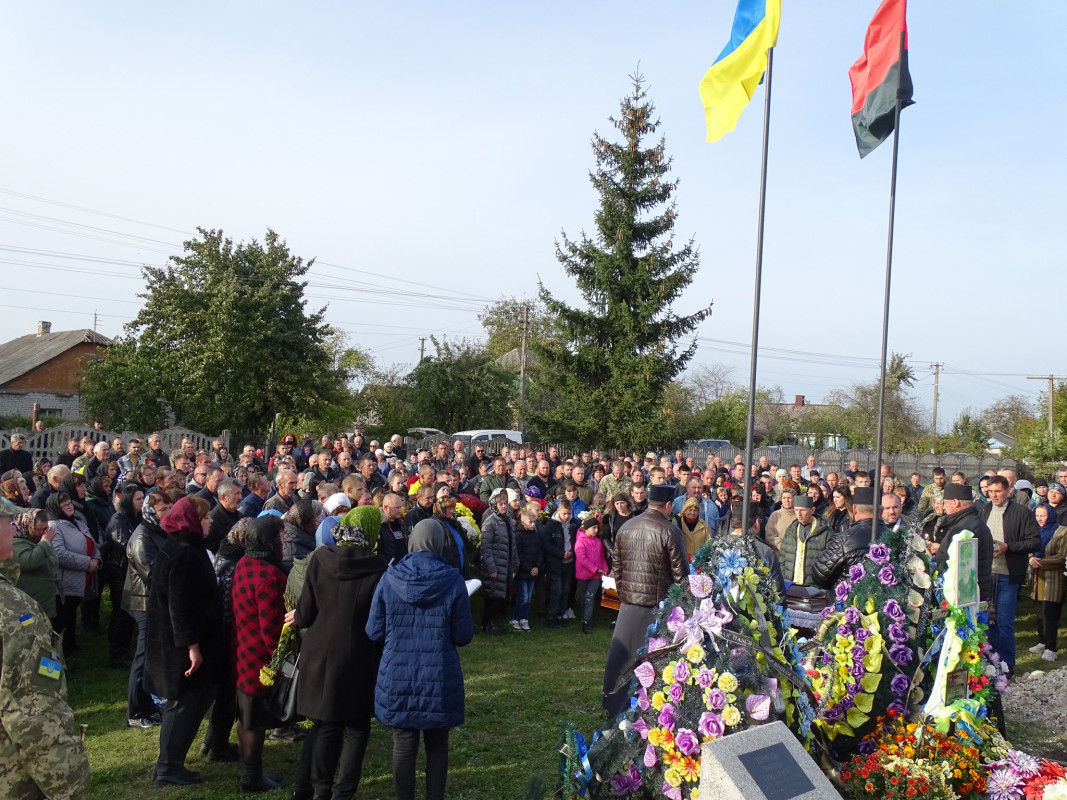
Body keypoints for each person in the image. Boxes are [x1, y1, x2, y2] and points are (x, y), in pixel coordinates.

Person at [366, 519, 475, 800]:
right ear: (439, 543)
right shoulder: (452, 580)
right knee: (437, 744)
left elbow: (373, 630)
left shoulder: (389, 577)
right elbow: (463, 635)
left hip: (398, 673)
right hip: (438, 674)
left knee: (403, 744)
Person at [0, 494, 92, 800]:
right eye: (5, 523)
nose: (12, 530)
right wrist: (70, 786)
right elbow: (33, 708)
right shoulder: (12, 610)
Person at [290, 515, 387, 800]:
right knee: (356, 726)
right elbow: (379, 618)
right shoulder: (378, 566)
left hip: (320, 649)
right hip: (358, 649)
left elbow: (305, 614)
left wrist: (295, 616)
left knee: (325, 722)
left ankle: (319, 789)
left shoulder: (320, 558)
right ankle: (343, 791)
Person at [144, 496, 226, 787]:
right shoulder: (184, 553)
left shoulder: (187, 547)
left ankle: (172, 763)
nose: (210, 520)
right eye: (204, 517)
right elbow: (179, 605)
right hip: (183, 646)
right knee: (184, 703)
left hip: (191, 640)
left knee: (194, 700)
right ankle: (168, 767)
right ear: (190, 521)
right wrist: (192, 647)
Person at [603, 483, 687, 718]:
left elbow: (617, 569)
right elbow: (682, 577)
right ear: (668, 505)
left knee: (621, 658)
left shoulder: (626, 526)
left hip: (628, 605)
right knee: (653, 662)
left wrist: (625, 594)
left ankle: (614, 703)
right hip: (656, 609)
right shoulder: (670, 530)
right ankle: (647, 708)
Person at [230, 515, 287, 792]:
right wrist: (282, 660)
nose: (284, 541)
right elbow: (272, 628)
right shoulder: (269, 576)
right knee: (253, 719)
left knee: (246, 714)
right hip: (259, 658)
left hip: (243, 649)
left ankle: (251, 770)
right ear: (268, 541)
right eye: (280, 537)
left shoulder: (244, 563)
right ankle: (251, 775)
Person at [978, 475, 1040, 676]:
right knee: (986, 621)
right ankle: (989, 662)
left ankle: (1006, 666)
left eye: (998, 491)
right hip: (986, 575)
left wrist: (1009, 547)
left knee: (1004, 621)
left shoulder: (1021, 513)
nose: (993, 495)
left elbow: (1034, 542)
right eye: (990, 491)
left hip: (1008, 575)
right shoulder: (983, 510)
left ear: (1007, 491)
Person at [123, 488, 175, 728]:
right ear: (149, 511)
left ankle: (148, 705)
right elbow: (153, 574)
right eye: (162, 509)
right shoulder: (142, 537)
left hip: (154, 602)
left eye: (168, 508)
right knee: (143, 657)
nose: (167, 513)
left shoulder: (158, 531)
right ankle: (135, 711)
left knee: (151, 656)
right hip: (143, 602)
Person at [47, 491, 99, 656]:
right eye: (64, 505)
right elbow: (59, 554)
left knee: (72, 615)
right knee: (63, 617)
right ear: (57, 508)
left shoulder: (77, 521)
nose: (69, 507)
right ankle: (61, 652)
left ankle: (71, 644)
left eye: (70, 503)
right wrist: (87, 563)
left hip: (82, 578)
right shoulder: (54, 526)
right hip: (65, 583)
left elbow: (93, 542)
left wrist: (97, 559)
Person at [811, 487, 883, 593]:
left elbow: (820, 575)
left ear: (854, 509)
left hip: (847, 603)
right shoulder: (897, 537)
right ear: (881, 511)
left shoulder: (843, 539)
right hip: (886, 605)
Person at [102, 487, 143, 669]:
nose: (142, 502)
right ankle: (115, 655)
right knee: (121, 613)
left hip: (131, 572)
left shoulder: (137, 517)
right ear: (128, 501)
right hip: (120, 572)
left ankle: (124, 650)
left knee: (129, 615)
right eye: (138, 499)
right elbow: (125, 546)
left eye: (143, 498)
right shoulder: (118, 520)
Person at [933, 485, 993, 602]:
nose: (944, 507)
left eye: (945, 503)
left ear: (955, 502)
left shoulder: (964, 529)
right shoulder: (975, 522)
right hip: (976, 590)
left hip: (964, 595)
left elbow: (952, 564)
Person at [1028, 503, 1067, 662]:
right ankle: (1042, 641)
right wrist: (1030, 558)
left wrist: (1040, 562)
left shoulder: (1062, 532)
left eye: (1043, 516)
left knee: (1050, 612)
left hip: (1053, 579)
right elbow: (1029, 548)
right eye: (1037, 516)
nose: (1040, 519)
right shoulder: (1034, 531)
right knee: (1039, 612)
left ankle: (1051, 647)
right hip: (1037, 579)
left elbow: (1061, 556)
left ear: (1050, 515)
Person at [10, 508, 60, 626]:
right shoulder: (15, 543)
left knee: (46, 635)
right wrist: (45, 542)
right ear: (27, 525)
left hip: (43, 603)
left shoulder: (36, 541)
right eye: (39, 529)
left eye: (45, 529)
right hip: (27, 607)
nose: (43, 533)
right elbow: (30, 561)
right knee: (30, 633)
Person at [480, 490, 517, 635]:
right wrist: (491, 567)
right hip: (495, 565)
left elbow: (512, 544)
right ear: (494, 506)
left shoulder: (507, 521)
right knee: (493, 597)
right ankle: (487, 623)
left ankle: (491, 622)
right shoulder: (490, 523)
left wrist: (515, 564)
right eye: (500, 504)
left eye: (505, 504)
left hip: (506, 564)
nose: (503, 507)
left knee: (500, 596)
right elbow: (486, 547)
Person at [778, 495, 831, 587]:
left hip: (814, 588)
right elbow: (783, 559)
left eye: (802, 510)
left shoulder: (825, 532)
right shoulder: (790, 531)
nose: (799, 514)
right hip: (791, 585)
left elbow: (829, 563)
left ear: (812, 510)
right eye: (796, 510)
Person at [541, 497, 578, 627]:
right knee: (556, 590)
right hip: (556, 563)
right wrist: (561, 553)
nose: (567, 516)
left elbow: (577, 540)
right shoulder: (551, 525)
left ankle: (561, 615)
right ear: (558, 511)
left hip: (570, 562)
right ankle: (552, 616)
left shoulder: (574, 523)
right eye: (564, 514)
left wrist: (573, 551)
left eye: (569, 513)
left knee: (566, 589)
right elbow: (546, 544)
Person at [574, 516, 609, 634]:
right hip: (584, 575)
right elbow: (582, 559)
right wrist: (595, 569)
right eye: (593, 527)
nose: (596, 530)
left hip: (595, 576)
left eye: (597, 528)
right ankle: (584, 618)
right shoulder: (580, 541)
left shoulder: (598, 541)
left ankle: (586, 621)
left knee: (590, 597)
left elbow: (601, 557)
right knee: (584, 597)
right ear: (587, 528)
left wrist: (604, 569)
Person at [511, 508, 544, 632]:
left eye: (534, 522)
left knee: (529, 597)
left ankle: (524, 618)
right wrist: (529, 568)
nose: (533, 524)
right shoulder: (518, 535)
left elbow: (540, 551)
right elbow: (519, 555)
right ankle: (515, 618)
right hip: (523, 572)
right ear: (523, 522)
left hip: (533, 571)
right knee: (523, 597)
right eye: (531, 522)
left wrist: (537, 567)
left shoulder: (535, 534)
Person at [677, 496, 712, 561]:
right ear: (684, 511)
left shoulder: (704, 525)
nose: (692, 513)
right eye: (690, 510)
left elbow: (709, 544)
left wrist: (701, 557)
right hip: (683, 561)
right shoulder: (678, 524)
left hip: (699, 562)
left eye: (695, 510)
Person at [763, 487, 796, 554]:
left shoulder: (799, 515)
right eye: (784, 498)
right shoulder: (775, 515)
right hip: (778, 554)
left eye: (789, 498)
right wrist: (782, 545)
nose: (786, 500)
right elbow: (769, 535)